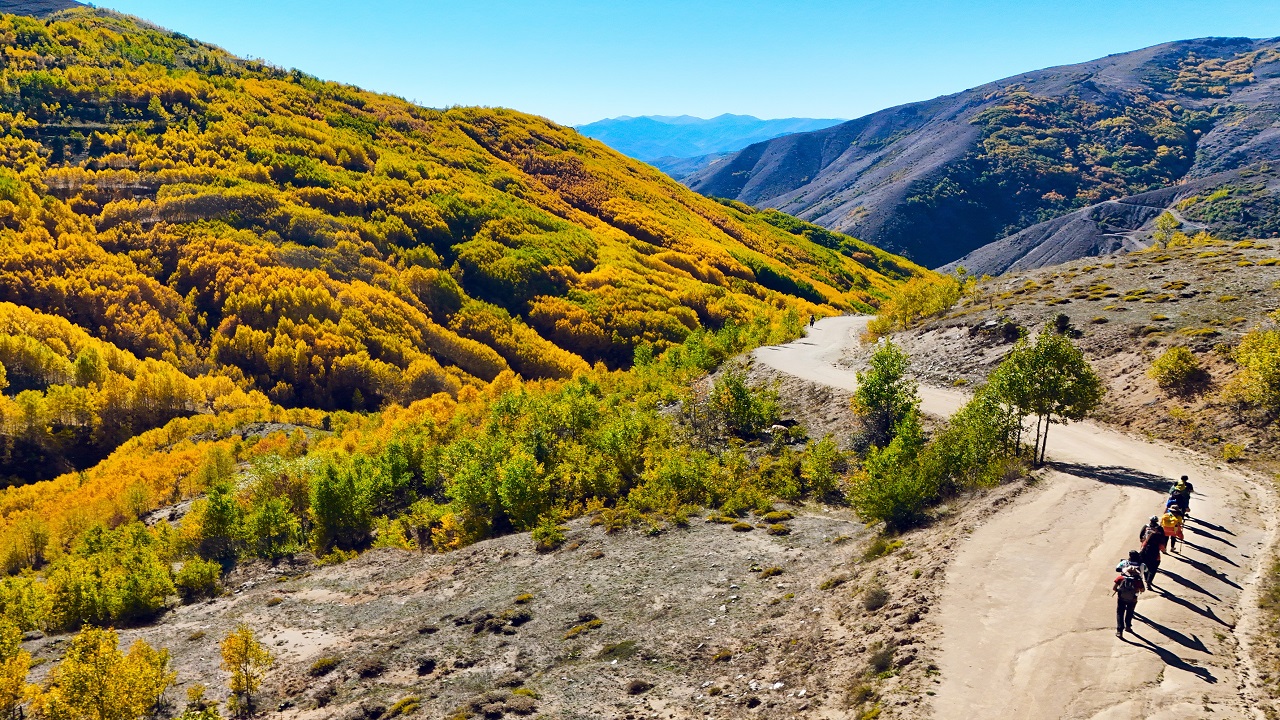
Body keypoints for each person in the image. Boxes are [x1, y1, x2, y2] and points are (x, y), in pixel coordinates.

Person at [1113, 556, 1146, 638]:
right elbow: (1142, 590)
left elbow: (1114, 588)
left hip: (1121, 598)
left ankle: (1119, 631)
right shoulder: (1138, 580)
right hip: (1133, 599)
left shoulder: (1121, 578)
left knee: (1120, 613)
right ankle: (1128, 627)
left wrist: (1119, 591)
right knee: (1130, 612)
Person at [1139, 517, 1166, 588]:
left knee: (1145, 567)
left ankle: (1146, 579)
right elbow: (1163, 547)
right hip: (1155, 556)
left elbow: (1141, 537)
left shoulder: (1146, 542)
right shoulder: (1159, 531)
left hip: (1145, 555)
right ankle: (1149, 581)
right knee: (1153, 570)